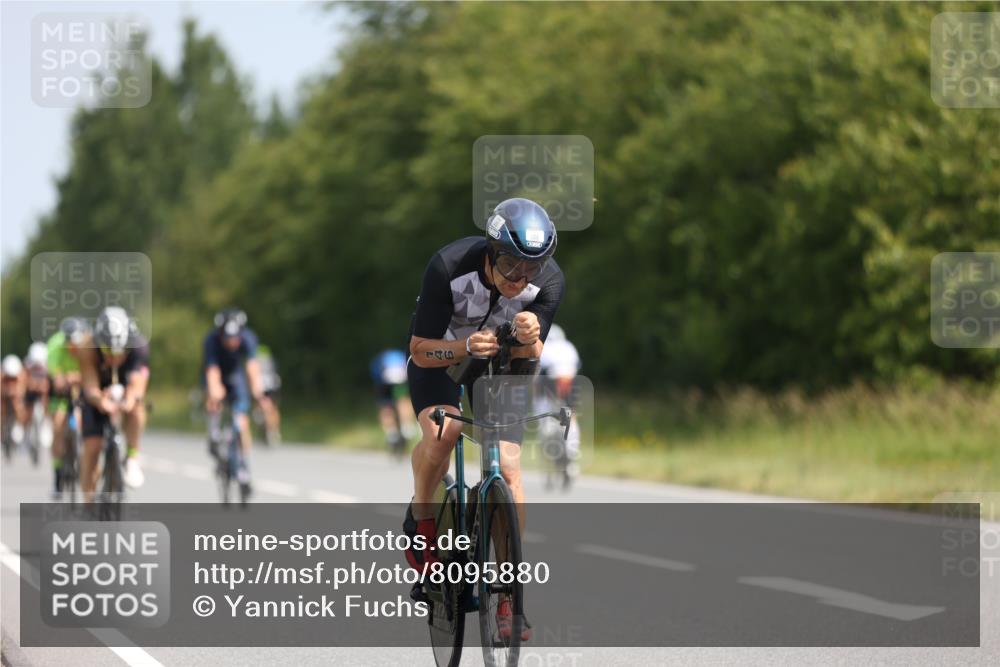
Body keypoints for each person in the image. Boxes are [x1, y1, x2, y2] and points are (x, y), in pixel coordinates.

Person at [405, 197, 564, 641]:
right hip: (443, 358)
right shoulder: (448, 266)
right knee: (445, 429)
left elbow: (532, 355)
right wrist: (464, 348)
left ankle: (509, 593)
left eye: (533, 268)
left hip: (502, 367)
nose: (521, 279)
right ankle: (421, 525)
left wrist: (531, 339)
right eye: (511, 265)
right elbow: (420, 349)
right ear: (490, 253)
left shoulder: (548, 282)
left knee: (509, 467)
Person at [78, 306, 150, 495]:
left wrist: (130, 400)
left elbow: (138, 385)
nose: (114, 357)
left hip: (125, 383)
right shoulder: (87, 346)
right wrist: (100, 401)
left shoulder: (139, 346)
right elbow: (89, 384)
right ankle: (88, 503)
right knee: (92, 447)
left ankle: (132, 458)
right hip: (98, 388)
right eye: (107, 351)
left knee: (137, 407)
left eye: (120, 352)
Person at [202, 308, 272, 493]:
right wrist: (214, 391)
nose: (231, 342)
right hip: (217, 374)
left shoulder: (248, 338)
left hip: (236, 376)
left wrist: (258, 393)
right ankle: (213, 434)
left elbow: (252, 367)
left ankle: (242, 464)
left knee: (241, 420)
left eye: (235, 338)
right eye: (227, 338)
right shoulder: (211, 340)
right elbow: (212, 370)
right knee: (213, 401)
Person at [46, 317, 90, 497]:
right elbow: (55, 376)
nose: (74, 348)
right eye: (70, 345)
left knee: (84, 421)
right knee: (58, 426)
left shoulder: (89, 345)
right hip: (61, 391)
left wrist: (78, 378)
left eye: (77, 345)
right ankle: (57, 476)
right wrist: (63, 378)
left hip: (82, 387)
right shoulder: (56, 344)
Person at [536, 324, 583, 486]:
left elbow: (537, 380)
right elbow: (577, 368)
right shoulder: (569, 347)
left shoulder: (543, 347)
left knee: (545, 426)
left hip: (548, 385)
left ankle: (549, 464)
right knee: (571, 421)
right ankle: (572, 457)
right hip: (570, 384)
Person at [370, 349, 418, 455]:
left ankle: (391, 432)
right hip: (400, 378)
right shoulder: (400, 357)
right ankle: (407, 426)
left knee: (385, 405)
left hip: (384, 380)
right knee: (403, 400)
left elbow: (375, 378)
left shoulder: (379, 361)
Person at [255, 343, 282, 445]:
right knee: (273, 408)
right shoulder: (272, 361)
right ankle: (274, 431)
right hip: (273, 386)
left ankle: (270, 429)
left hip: (264, 386)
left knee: (263, 407)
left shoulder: (256, 361)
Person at [1, 355, 26, 458]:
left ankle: (19, 426)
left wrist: (15, 393)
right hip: (3, 398)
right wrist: (7, 392)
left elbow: (22, 390)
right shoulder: (1, 376)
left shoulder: (21, 375)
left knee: (18, 406)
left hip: (15, 398)